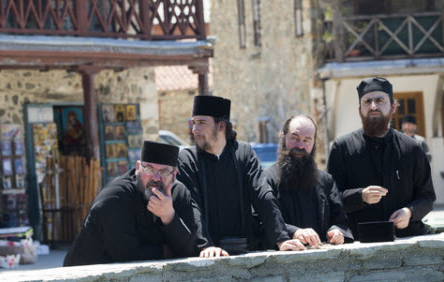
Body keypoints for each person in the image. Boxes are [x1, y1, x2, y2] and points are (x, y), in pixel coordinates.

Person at [177, 95, 304, 254]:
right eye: (193, 123)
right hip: (207, 252)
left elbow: (262, 195)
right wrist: (206, 246)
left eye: (201, 123)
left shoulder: (244, 153)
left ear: (221, 126)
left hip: (245, 248)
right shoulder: (186, 159)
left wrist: (281, 239)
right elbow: (191, 206)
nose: (194, 129)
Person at [63, 140, 206, 266]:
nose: (155, 178)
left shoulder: (179, 194)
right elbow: (126, 254)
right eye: (149, 169)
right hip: (85, 281)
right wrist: (167, 251)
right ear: (138, 168)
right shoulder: (115, 196)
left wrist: (170, 217)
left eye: (163, 172)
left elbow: (190, 251)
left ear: (174, 175)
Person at [327, 77, 436, 239]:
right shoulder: (342, 148)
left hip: (406, 239)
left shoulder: (412, 148)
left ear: (393, 107)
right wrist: (360, 196)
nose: (373, 106)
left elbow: (427, 197)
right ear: (359, 109)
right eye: (367, 101)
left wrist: (409, 212)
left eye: (380, 100)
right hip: (360, 243)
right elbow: (330, 198)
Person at [265, 115, 353, 246]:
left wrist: (337, 232)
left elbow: (340, 221)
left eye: (307, 140)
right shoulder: (266, 179)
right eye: (294, 138)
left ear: (314, 144)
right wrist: (293, 232)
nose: (300, 146)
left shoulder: (326, 180)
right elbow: (260, 222)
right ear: (283, 138)